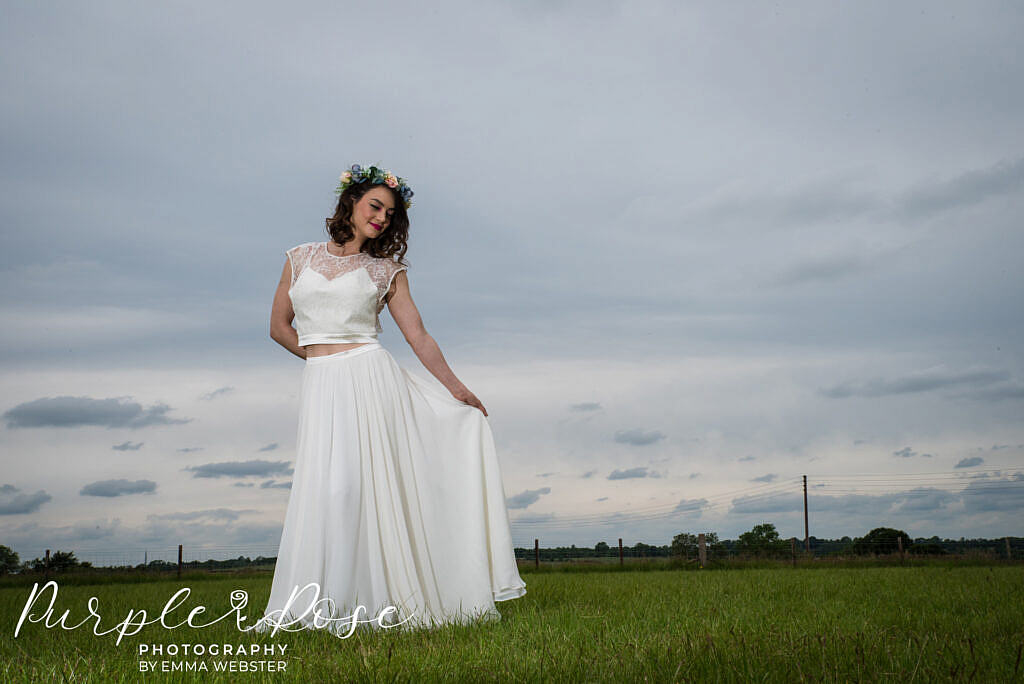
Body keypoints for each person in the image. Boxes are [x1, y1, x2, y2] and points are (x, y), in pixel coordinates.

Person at [256, 164, 526, 636]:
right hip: (323, 384)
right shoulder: (298, 257)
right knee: (330, 491)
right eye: (374, 206)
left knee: (358, 490)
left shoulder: (387, 271)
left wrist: (456, 389)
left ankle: (387, 602)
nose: (381, 217)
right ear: (351, 203)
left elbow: (418, 335)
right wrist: (322, 362)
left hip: (370, 379)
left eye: (390, 213)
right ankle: (327, 607)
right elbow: (279, 327)